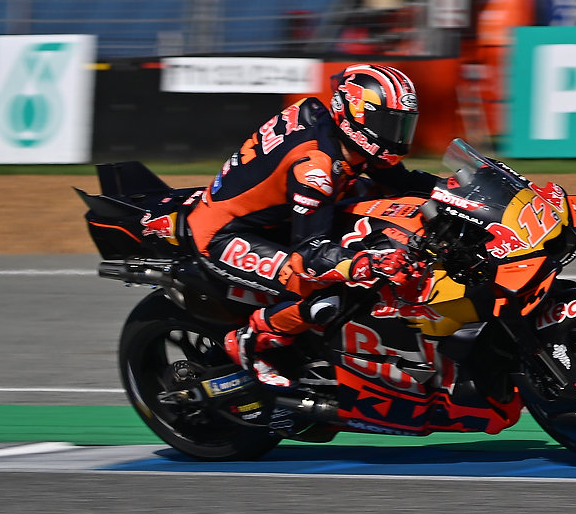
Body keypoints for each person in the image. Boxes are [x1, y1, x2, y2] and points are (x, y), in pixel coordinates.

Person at [183, 64, 437, 385]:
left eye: (402, 125)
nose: (396, 136)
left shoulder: (340, 134)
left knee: (377, 206)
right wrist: (367, 263)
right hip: (225, 235)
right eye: (387, 124)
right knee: (328, 296)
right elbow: (309, 257)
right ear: (356, 117)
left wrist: (467, 190)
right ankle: (251, 339)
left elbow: (403, 182)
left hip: (276, 217)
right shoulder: (315, 171)